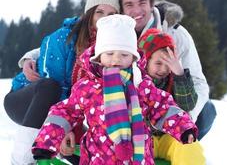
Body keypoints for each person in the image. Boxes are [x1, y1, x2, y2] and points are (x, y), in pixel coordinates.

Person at [31, 14, 198, 165]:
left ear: (133, 57)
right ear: (98, 56)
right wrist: (47, 141)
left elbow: (162, 108)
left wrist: (184, 127)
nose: (116, 59)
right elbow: (65, 112)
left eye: (124, 55)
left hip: (138, 158)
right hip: (99, 157)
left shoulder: (141, 85)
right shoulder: (88, 87)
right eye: (110, 53)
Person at [3, 0, 120, 165]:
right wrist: (65, 129)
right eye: (99, 12)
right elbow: (55, 86)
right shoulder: (63, 38)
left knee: (84, 155)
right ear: (89, 14)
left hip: (66, 112)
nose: (105, 18)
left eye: (111, 14)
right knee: (50, 86)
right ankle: (21, 161)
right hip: (28, 101)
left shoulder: (110, 49)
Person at [116, 0, 216, 140]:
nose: (136, 10)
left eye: (142, 3)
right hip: (132, 116)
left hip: (171, 110)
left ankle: (182, 144)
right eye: (129, 5)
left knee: (208, 110)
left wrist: (186, 118)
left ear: (151, 4)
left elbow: (198, 81)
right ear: (121, 10)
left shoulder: (176, 34)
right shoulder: (115, 38)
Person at [138, 28, 205, 164]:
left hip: (167, 137)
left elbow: (187, 105)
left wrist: (179, 75)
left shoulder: (173, 80)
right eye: (158, 63)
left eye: (167, 64)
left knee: (189, 146)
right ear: (144, 60)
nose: (163, 69)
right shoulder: (134, 80)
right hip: (140, 140)